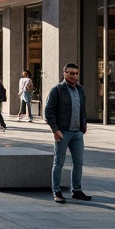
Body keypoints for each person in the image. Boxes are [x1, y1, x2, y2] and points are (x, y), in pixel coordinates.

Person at [45, 63, 91, 203]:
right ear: (64, 73)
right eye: (70, 73)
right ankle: (57, 191)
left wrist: (84, 125)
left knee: (79, 162)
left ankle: (76, 190)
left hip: (77, 133)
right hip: (63, 132)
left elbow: (82, 109)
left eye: (76, 73)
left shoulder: (80, 90)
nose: (74, 76)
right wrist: (55, 130)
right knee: (59, 162)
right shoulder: (57, 90)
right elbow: (48, 111)